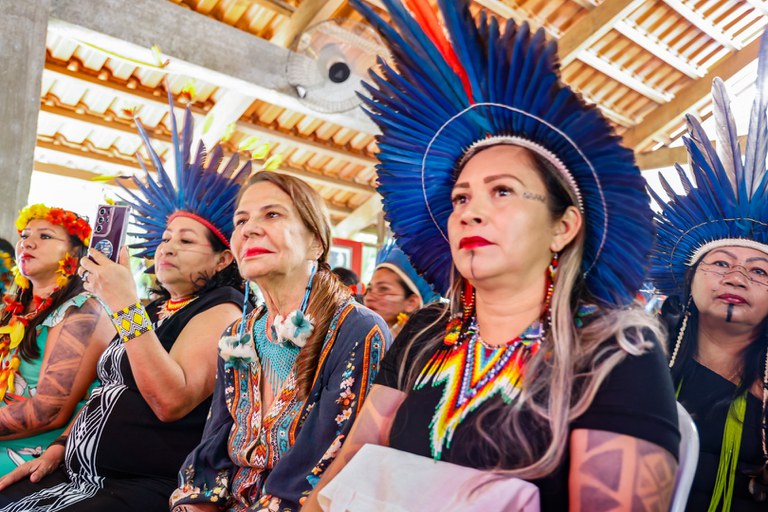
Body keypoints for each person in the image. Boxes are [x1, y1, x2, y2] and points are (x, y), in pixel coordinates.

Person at [303, 0, 681, 510]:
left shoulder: (616, 350)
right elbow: (348, 468)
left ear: (563, 227)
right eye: (461, 198)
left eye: (502, 191)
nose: (469, 213)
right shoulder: (425, 332)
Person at [0, 94, 249, 512]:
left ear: (224, 258)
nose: (167, 247)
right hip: (76, 470)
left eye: (186, 241)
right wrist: (61, 446)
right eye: (165, 238)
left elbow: (170, 402)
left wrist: (124, 305)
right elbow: (105, 391)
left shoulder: (222, 310)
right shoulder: (153, 309)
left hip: (133, 487)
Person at [169, 171, 390, 512]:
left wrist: (127, 315)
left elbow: (332, 462)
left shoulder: (356, 329)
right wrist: (197, 503)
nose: (249, 228)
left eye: (272, 214)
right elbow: (215, 440)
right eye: (240, 220)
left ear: (316, 242)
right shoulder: (237, 334)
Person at [647, 30, 768, 511]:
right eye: (721, 263)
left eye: (760, 271)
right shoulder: (639, 354)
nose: (736, 277)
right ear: (689, 276)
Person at [0, 205, 113, 473]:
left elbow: (47, 412)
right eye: (25, 235)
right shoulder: (15, 308)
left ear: (74, 253)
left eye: (45, 236)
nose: (28, 242)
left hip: (33, 452)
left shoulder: (84, 309)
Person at [364, 242, 439, 337]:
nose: (369, 297)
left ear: (411, 302)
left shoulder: (420, 349)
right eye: (369, 289)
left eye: (383, 289)